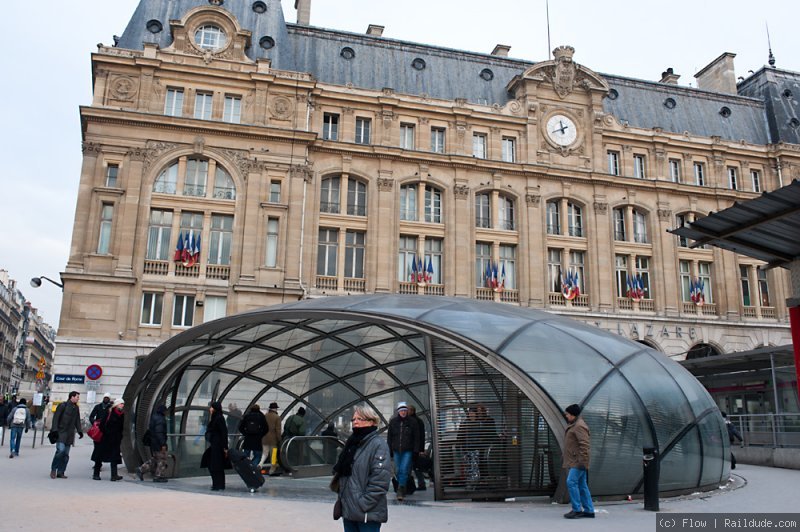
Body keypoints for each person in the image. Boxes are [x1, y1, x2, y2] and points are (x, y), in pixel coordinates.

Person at [334, 404, 391, 531]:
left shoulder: (378, 445)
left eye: (360, 419)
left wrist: (362, 504)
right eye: (354, 419)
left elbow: (380, 482)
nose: (355, 422)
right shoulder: (352, 443)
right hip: (349, 510)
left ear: (371, 421)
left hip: (367, 513)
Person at [563, 403, 595, 519]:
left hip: (578, 461)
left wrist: (582, 462)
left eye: (567, 414)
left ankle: (576, 509)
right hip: (576, 460)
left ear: (572, 415)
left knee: (571, 482)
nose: (566, 416)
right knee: (582, 485)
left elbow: (584, 445)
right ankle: (589, 510)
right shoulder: (575, 424)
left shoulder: (579, 426)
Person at [387, 401, 420, 501]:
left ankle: (400, 488)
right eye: (402, 411)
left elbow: (416, 437)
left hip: (408, 450)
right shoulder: (393, 422)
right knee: (398, 470)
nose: (403, 412)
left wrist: (416, 450)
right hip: (397, 450)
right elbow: (390, 437)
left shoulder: (412, 422)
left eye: (405, 410)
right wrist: (390, 449)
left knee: (404, 469)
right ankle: (402, 486)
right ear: (398, 411)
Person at [50, 391, 83, 479]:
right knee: (61, 450)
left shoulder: (76, 408)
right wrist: (55, 430)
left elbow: (77, 420)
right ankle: (54, 469)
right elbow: (56, 418)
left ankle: (61, 472)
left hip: (70, 434)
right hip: (61, 432)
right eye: (77, 397)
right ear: (71, 397)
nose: (78, 398)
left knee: (66, 455)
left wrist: (80, 431)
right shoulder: (62, 406)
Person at [92, 398, 125, 481]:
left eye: (123, 404)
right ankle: (96, 474)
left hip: (115, 439)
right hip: (105, 439)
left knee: (114, 457)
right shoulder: (109, 412)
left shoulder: (121, 414)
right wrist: (107, 433)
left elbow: (121, 427)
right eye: (121, 404)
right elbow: (102, 424)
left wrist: (120, 436)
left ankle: (114, 475)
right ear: (116, 404)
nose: (122, 405)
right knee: (100, 456)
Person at [137, 404, 169, 482]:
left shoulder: (154, 417)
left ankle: (141, 469)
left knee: (155, 459)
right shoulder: (160, 420)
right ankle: (158, 476)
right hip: (158, 443)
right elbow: (159, 432)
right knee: (162, 459)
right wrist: (163, 444)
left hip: (154, 443)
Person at [202, 401, 229, 491]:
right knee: (214, 464)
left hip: (218, 446)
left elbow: (224, 433)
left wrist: (225, 447)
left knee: (216, 465)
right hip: (215, 445)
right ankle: (218, 484)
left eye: (212, 407)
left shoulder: (219, 418)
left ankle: (218, 484)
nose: (210, 409)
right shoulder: (216, 418)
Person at [88, 393, 112, 471]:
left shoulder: (110, 408)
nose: (106, 399)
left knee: (103, 447)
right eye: (105, 397)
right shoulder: (98, 407)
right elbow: (91, 416)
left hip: (106, 430)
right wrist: (94, 423)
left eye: (107, 398)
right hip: (98, 430)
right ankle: (97, 463)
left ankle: (99, 462)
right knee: (97, 446)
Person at [407, 406, 427, 491]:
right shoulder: (418, 421)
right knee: (416, 467)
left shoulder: (411, 421)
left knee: (410, 467)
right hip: (415, 448)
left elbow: (420, 436)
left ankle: (408, 485)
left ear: (412, 411)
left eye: (408, 410)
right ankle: (421, 483)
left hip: (412, 448)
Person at [258, 402, 282, 471]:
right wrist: (279, 439)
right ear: (275, 409)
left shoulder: (265, 416)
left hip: (264, 438)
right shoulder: (277, 417)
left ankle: (260, 464)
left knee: (265, 453)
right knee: (273, 455)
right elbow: (278, 430)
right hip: (273, 440)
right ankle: (272, 469)